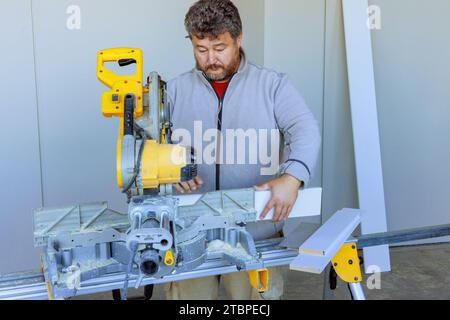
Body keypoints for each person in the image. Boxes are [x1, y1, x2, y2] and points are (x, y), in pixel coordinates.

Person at [165, 0, 321, 300]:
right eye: (200, 49)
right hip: (190, 233)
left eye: (219, 47)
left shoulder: (273, 86)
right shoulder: (173, 92)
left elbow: (305, 130)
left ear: (239, 38)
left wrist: (292, 177)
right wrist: (168, 172)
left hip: (256, 232)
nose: (210, 58)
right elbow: (149, 147)